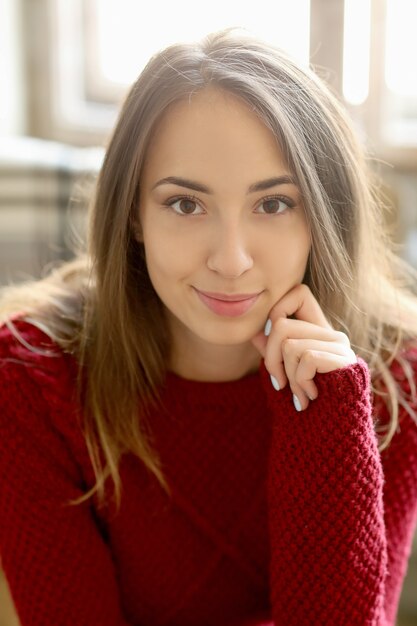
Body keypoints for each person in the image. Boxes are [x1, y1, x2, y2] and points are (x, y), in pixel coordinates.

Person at [1, 27, 417, 626]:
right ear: (134, 216)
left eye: (273, 204)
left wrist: (328, 426)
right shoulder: (29, 380)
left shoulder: (387, 379)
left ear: (322, 218)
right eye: (185, 204)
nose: (230, 260)